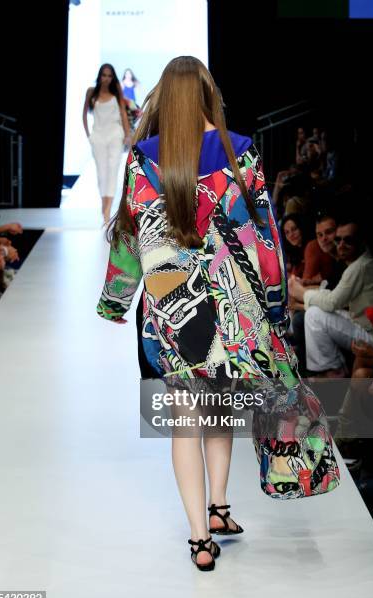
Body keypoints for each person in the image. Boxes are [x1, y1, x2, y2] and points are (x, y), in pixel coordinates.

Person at [96, 56, 338, 571]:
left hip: (172, 312)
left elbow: (131, 231)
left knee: (187, 419)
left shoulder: (145, 157)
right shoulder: (240, 152)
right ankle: (221, 505)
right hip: (233, 311)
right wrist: (274, 304)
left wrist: (117, 300)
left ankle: (200, 536)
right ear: (208, 95)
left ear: (164, 97)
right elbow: (265, 238)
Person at [289, 219, 373, 376]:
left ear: (360, 242)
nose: (341, 245)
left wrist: (301, 293)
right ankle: (327, 368)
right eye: (338, 239)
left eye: (348, 240)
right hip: (362, 325)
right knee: (311, 314)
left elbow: (332, 302)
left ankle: (332, 371)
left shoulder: (362, 265)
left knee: (313, 315)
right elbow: (333, 294)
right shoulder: (356, 264)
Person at [83, 64, 131, 224]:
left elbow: (123, 113)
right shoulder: (91, 92)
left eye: (109, 76)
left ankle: (107, 211)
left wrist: (127, 134)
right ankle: (104, 208)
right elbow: (84, 114)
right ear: (99, 76)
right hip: (98, 136)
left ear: (113, 77)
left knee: (112, 171)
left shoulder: (116, 91)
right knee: (101, 173)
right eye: (104, 75)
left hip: (115, 135)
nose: (106, 78)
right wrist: (89, 135)